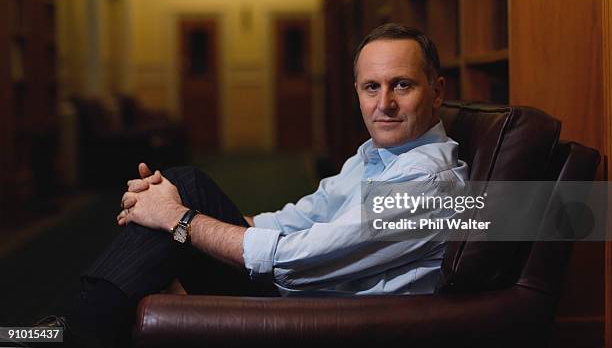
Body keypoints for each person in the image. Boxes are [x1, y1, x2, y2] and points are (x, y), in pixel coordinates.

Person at [35, 23, 468, 347]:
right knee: (183, 189)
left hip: (321, 312)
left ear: (436, 91)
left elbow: (296, 256)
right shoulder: (376, 155)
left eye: (403, 85)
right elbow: (297, 217)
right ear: (356, 91)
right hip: (298, 287)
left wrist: (178, 220)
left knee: (182, 195)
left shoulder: (427, 183)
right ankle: (74, 328)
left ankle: (65, 331)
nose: (384, 103)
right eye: (371, 87)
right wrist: (165, 214)